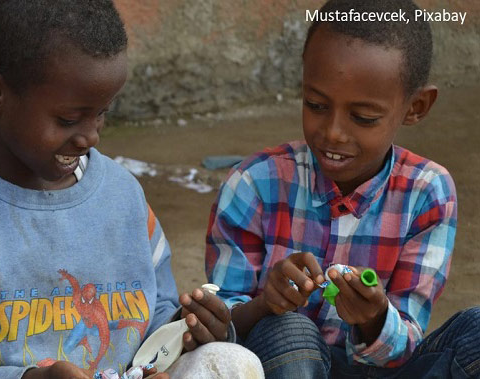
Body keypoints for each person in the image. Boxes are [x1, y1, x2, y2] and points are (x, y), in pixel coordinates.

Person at [0, 1, 261, 378]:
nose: (90, 136)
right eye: (68, 119)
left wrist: (184, 327)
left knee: (233, 364)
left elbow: (153, 311)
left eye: (103, 112)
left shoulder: (122, 195)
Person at [205, 0, 480, 377]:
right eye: (315, 104)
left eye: (363, 118)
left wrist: (374, 318)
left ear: (416, 106)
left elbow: (407, 338)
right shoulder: (254, 183)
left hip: (382, 370)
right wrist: (266, 304)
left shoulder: (427, 193)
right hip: (283, 364)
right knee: (292, 331)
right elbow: (219, 330)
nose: (333, 132)